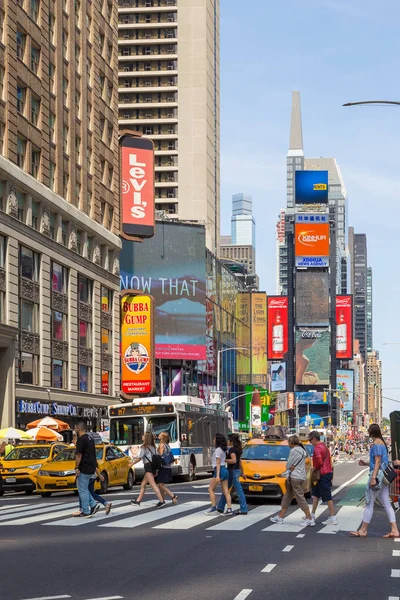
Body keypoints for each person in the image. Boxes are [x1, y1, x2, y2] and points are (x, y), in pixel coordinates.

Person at [350, 424, 399, 538]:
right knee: (386, 503)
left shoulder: (377, 443)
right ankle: (394, 530)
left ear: (371, 431)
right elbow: (380, 462)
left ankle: (363, 530)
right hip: (383, 476)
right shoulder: (382, 442)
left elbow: (377, 461)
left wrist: (373, 478)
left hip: (378, 476)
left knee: (369, 502)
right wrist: (366, 464)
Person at [270, 435, 315, 527]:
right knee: (288, 495)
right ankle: (280, 516)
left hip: (295, 477)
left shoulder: (293, 450)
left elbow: (288, 465)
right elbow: (307, 458)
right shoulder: (302, 450)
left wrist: (290, 467)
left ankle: (309, 518)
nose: (288, 444)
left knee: (299, 497)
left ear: (291, 442)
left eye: (288, 442)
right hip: (300, 476)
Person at [308, 430, 337, 525]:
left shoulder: (317, 448)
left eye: (310, 440)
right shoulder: (324, 445)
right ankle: (312, 515)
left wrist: (314, 469)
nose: (309, 442)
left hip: (322, 474)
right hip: (327, 472)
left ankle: (333, 517)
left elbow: (319, 462)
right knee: (316, 494)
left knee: (327, 496)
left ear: (314, 439)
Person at [130, 432, 166, 508]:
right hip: (153, 466)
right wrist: (156, 470)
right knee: (143, 484)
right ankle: (138, 501)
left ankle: (161, 501)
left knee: (153, 484)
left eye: (144, 435)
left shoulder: (144, 447)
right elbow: (156, 457)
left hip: (148, 466)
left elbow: (140, 458)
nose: (142, 436)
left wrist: (131, 464)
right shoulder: (153, 446)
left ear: (146, 438)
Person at [217, 433, 248, 515]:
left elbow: (234, 460)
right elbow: (239, 461)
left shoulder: (232, 450)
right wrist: (242, 472)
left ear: (231, 441)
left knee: (237, 490)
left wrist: (224, 460)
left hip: (232, 471)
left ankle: (244, 508)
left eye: (228, 440)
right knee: (227, 489)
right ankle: (220, 507)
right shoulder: (238, 449)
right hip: (236, 471)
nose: (227, 441)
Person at [74, 422, 98, 518]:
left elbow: (79, 455)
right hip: (91, 466)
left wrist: (77, 467)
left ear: (79, 429)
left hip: (84, 467)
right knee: (83, 488)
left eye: (75, 427)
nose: (74, 429)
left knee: (82, 489)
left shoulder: (81, 440)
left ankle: (86, 511)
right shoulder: (90, 439)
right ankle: (92, 504)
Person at [206, 433, 232, 515]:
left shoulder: (217, 450)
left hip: (219, 470)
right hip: (225, 469)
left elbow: (218, 463)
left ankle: (214, 507)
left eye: (214, 439)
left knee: (210, 489)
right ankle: (229, 508)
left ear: (217, 440)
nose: (213, 440)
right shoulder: (224, 449)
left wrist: (217, 475)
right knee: (226, 491)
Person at [156, 432, 178, 504]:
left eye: (160, 435)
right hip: (168, 466)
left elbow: (160, 456)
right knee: (161, 485)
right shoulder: (167, 445)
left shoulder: (162, 445)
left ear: (163, 437)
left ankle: (172, 496)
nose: (158, 435)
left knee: (159, 485)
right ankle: (162, 500)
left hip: (163, 467)